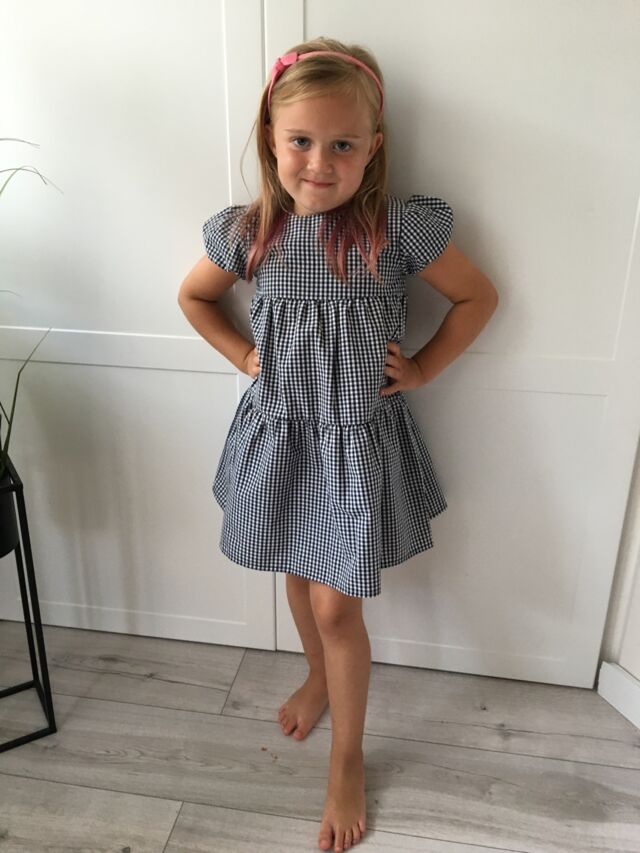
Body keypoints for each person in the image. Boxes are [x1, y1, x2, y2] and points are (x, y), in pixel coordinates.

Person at [178, 35, 498, 853]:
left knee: (335, 602)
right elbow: (194, 298)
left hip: (355, 443)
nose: (320, 163)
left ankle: (348, 756)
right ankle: (318, 673)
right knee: (296, 569)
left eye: (343, 145)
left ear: (373, 148)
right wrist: (244, 355)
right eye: (301, 141)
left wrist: (422, 367)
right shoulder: (250, 232)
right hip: (285, 438)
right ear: (271, 139)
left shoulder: (395, 231)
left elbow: (477, 297)